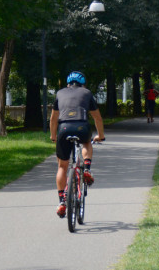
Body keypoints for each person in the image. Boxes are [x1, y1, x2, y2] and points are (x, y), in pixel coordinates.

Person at [49, 71, 105, 218]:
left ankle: (62, 202)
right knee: (87, 143)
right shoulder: (87, 93)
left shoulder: (60, 93)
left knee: (62, 166)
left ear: (68, 83)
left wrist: (53, 136)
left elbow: (53, 119)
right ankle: (86, 168)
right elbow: (97, 118)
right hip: (81, 126)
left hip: (63, 128)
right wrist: (101, 136)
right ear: (82, 84)